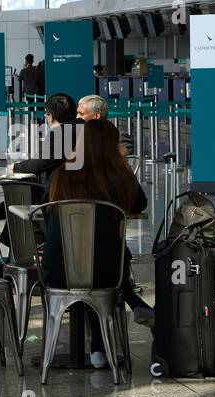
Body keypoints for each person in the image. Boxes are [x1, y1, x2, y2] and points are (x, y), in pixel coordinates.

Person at [43, 119, 149, 368]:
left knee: (81, 258)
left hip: (59, 271)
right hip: (107, 272)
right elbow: (140, 204)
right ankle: (101, 346)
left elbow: (44, 207)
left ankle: (96, 348)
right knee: (105, 253)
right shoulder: (119, 176)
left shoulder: (61, 174)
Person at [13, 92, 79, 185]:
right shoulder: (84, 127)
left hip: (62, 192)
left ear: (51, 116)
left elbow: (38, 164)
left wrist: (16, 166)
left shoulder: (59, 133)